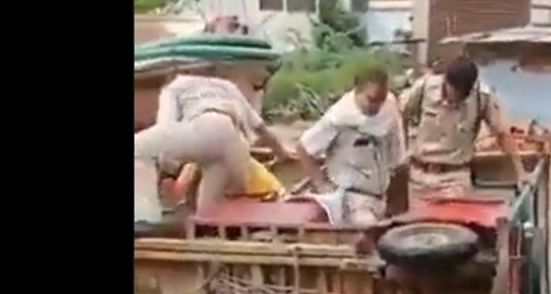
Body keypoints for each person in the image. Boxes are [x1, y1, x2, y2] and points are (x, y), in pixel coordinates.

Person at [134, 61, 292, 214]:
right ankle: (206, 231)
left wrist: (167, 164)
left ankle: (144, 217)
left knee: (138, 149)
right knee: (207, 211)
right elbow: (262, 130)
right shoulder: (228, 87)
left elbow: (165, 126)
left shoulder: (176, 85)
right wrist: (283, 155)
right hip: (235, 147)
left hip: (205, 129)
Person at [400, 56, 527, 198]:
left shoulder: (481, 97)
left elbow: (502, 134)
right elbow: (401, 116)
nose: (454, 100)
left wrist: (520, 172)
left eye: (461, 96)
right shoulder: (424, 88)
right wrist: (402, 155)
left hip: (454, 178)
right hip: (419, 176)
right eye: (452, 93)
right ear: (446, 81)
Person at [296, 66, 405, 224]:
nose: (376, 106)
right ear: (358, 91)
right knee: (368, 232)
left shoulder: (389, 107)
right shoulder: (338, 116)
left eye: (380, 101)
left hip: (381, 193)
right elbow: (303, 148)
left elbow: (398, 160)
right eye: (371, 100)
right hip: (352, 198)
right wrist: (322, 186)